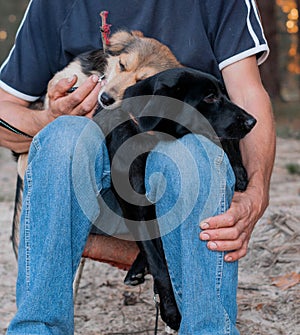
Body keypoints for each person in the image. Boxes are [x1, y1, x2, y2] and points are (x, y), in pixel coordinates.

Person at [0, 1, 275, 334]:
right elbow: (5, 107)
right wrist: (46, 118)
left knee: (198, 152)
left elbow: (247, 93)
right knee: (61, 137)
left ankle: (208, 328)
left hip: (185, 188)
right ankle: (36, 328)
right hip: (85, 188)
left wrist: (256, 193)